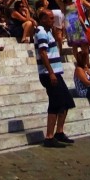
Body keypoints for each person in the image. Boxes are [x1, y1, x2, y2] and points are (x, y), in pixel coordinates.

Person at [34, 9, 75, 148]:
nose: (53, 20)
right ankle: (49, 136)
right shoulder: (41, 32)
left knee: (66, 102)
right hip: (48, 74)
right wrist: (51, 72)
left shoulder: (47, 31)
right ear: (43, 19)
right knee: (55, 103)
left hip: (56, 73)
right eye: (51, 18)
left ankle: (59, 132)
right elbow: (43, 53)